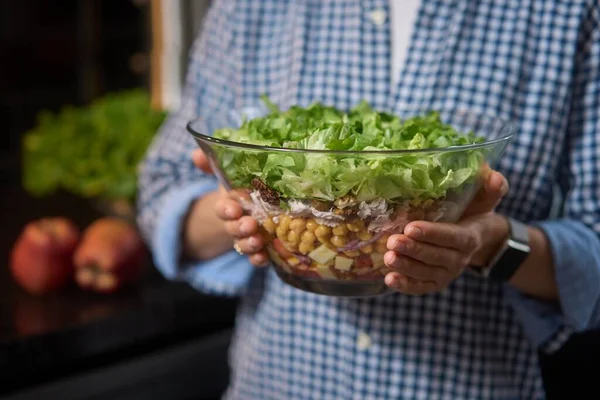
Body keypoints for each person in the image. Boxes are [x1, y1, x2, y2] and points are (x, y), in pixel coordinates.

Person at [137, 1, 600, 398]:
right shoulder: (251, 7)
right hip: (277, 380)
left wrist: (491, 243)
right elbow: (160, 193)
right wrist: (249, 209)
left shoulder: (571, 10)